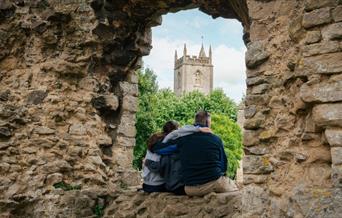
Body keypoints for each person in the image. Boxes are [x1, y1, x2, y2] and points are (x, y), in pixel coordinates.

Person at [156, 111, 238, 196]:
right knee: (235, 189)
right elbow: (223, 166)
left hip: (190, 189)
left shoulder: (182, 140)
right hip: (214, 184)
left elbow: (159, 149)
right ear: (208, 122)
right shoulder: (216, 139)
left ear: (195, 122)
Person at [141, 120, 179, 193]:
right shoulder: (167, 141)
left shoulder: (155, 138)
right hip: (157, 186)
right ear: (175, 131)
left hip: (146, 185)